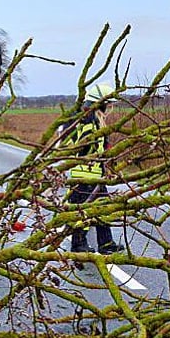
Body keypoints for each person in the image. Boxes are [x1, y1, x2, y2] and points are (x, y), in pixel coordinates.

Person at [61, 82, 125, 254]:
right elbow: (85, 147)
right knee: (83, 211)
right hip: (84, 177)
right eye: (108, 105)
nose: (109, 110)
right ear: (100, 104)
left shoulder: (92, 120)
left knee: (103, 207)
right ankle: (78, 245)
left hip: (95, 174)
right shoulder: (88, 122)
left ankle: (106, 243)